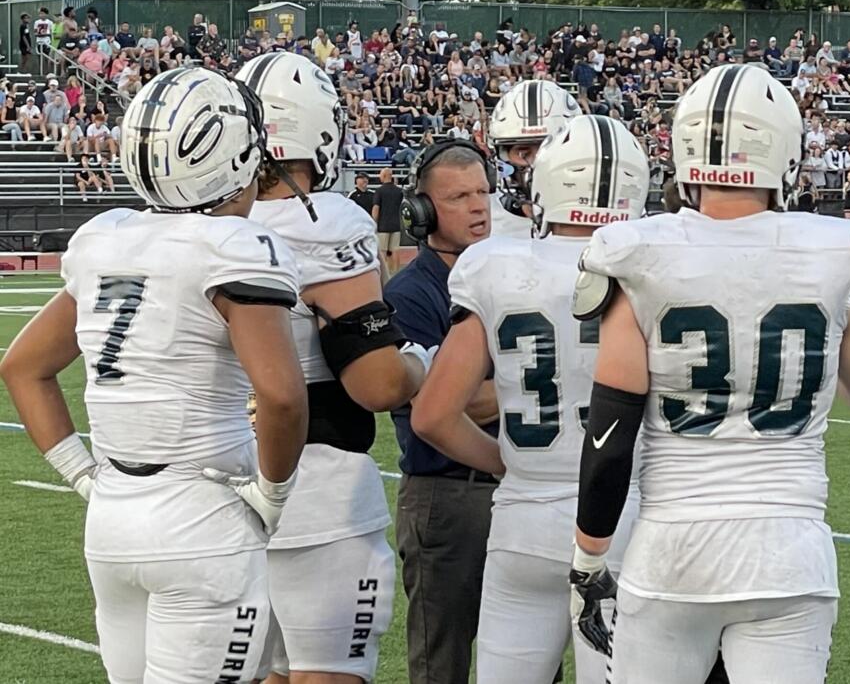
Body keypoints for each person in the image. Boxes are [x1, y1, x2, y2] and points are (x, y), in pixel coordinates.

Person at [567, 64, 850, 684]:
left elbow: (611, 433)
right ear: (786, 153)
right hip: (788, 550)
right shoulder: (838, 250)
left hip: (673, 548)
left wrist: (589, 556)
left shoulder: (637, 250)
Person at [0, 67, 309, 683]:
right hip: (204, 514)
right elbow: (279, 396)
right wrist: (272, 494)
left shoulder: (107, 238)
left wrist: (82, 475)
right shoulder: (234, 246)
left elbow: (22, 367)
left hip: (114, 517)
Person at [413, 115, 651, 684]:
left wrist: (512, 465)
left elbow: (433, 415)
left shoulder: (494, 264)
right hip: (626, 515)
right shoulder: (656, 263)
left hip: (523, 520)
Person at [237, 52, 432, 684]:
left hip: (215, 495)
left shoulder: (191, 228)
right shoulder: (322, 223)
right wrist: (419, 362)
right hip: (316, 492)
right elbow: (375, 383)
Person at [383, 141, 498, 684]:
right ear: (422, 212)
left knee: (530, 651)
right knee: (441, 663)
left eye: (482, 192)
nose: (478, 207)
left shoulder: (507, 273)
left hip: (515, 492)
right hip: (447, 494)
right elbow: (447, 404)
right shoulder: (410, 292)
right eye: (458, 197)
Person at [487, 79, 580, 237]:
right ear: (503, 157)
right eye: (524, 153)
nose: (538, 163)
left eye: (551, 150)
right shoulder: (483, 225)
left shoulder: (606, 225)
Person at [371, 167, 404, 277]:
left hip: (383, 226)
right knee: (395, 250)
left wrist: (373, 223)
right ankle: (395, 273)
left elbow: (376, 208)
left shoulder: (379, 191)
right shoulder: (399, 191)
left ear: (384, 176)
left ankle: (384, 275)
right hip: (396, 224)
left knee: (383, 251)